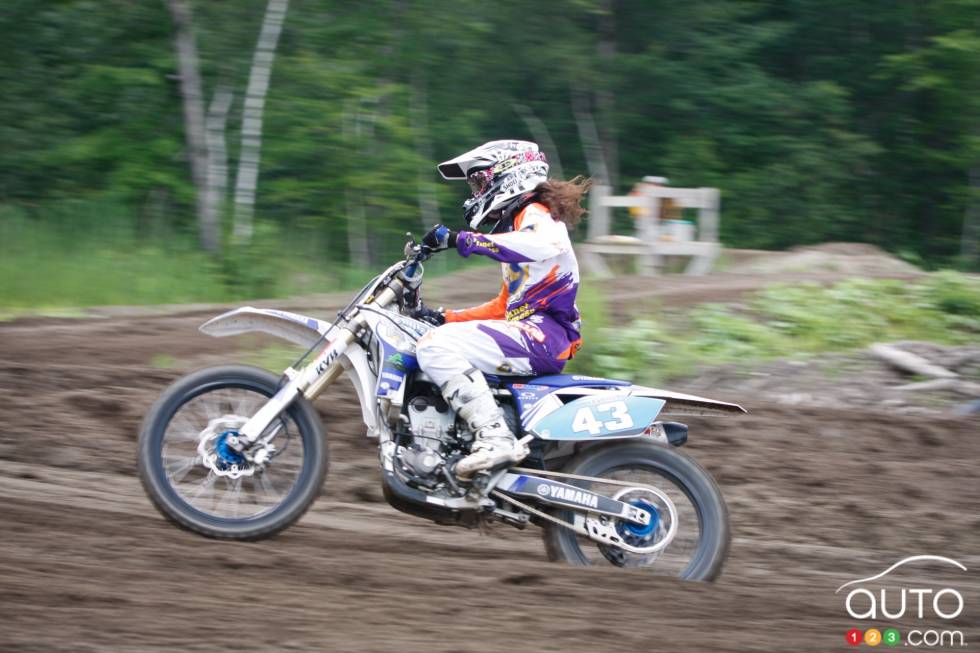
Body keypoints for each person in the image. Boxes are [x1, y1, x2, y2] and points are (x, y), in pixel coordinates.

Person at [412, 140, 590, 478]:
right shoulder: (521, 228)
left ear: (509, 175)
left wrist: (460, 239)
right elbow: (503, 307)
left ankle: (495, 438)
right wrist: (444, 316)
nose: (475, 192)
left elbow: (540, 244)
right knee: (437, 334)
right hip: (532, 332)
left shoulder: (537, 214)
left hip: (543, 335)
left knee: (435, 347)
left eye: (479, 182)